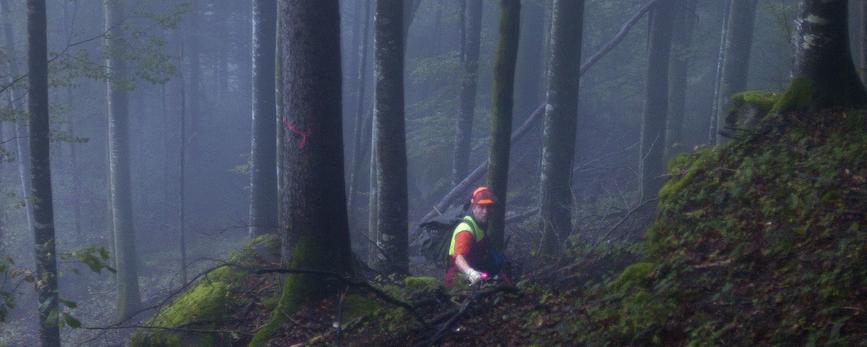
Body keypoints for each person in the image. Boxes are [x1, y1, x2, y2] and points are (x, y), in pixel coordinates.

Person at [444, 186, 510, 286]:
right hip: (458, 280)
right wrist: (471, 274)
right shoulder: (466, 230)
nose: (485, 211)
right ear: (474, 208)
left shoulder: (480, 225)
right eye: (481, 207)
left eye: (488, 207)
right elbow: (458, 258)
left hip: (477, 275)